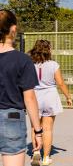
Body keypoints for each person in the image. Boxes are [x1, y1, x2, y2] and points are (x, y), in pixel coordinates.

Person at [0, 9, 43, 166]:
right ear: (13, 29)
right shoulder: (23, 60)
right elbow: (29, 98)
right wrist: (38, 131)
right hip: (12, 117)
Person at [28, 40, 73, 166]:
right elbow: (60, 83)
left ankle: (36, 153)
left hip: (35, 97)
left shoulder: (30, 64)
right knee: (47, 129)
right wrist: (68, 96)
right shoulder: (53, 64)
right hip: (50, 97)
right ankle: (46, 158)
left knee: (34, 128)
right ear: (48, 50)